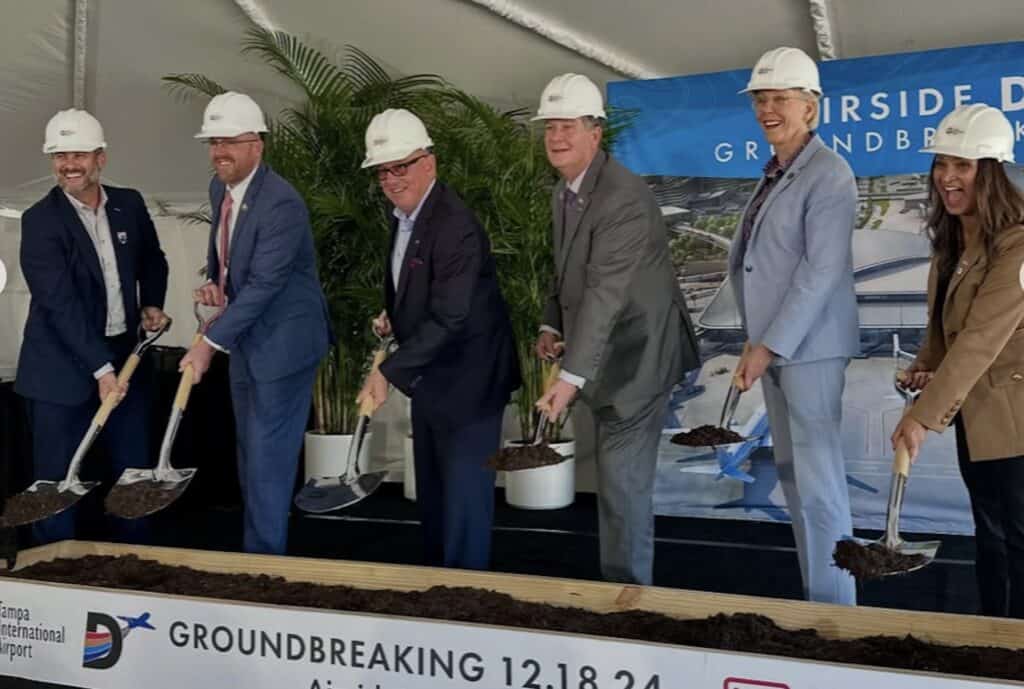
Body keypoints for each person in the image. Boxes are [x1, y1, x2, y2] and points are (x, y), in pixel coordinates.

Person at [532, 74, 701, 585]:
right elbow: (566, 272)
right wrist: (551, 322)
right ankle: (620, 592)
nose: (556, 138)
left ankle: (631, 607)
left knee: (623, 485)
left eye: (567, 126)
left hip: (638, 358)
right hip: (605, 356)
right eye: (550, 128)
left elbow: (606, 292)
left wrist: (570, 376)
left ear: (595, 133)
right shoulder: (567, 190)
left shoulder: (622, 197)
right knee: (615, 483)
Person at [358, 109, 520, 570]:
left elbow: (451, 314)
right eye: (382, 171)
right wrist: (393, 316)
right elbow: (419, 292)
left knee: (463, 510)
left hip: (469, 385)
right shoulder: (405, 217)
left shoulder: (454, 224)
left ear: (428, 161)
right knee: (435, 502)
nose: (390, 179)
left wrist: (388, 373)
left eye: (400, 166)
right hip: (431, 381)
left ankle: (466, 604)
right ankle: (437, 598)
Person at [729, 47, 860, 605]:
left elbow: (821, 270)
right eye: (761, 99)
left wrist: (768, 346)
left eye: (780, 98)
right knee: (796, 482)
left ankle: (839, 618)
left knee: (822, 488)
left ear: (810, 106)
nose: (768, 109)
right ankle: (818, 600)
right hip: (780, 350)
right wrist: (758, 342)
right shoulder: (777, 171)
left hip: (808, 350)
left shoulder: (828, 173)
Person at [181, 92, 331, 555]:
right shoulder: (219, 189)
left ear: (257, 146)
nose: (219, 151)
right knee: (250, 455)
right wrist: (217, 284)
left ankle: (264, 568)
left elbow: (266, 285)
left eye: (230, 141)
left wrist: (207, 342)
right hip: (246, 340)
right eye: (213, 142)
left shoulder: (281, 204)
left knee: (267, 459)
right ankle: (259, 554)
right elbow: (226, 257)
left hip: (283, 346)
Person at [892, 104, 1024, 619]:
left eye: (962, 166)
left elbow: (981, 340)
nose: (948, 177)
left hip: (1013, 422)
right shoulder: (956, 237)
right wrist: (925, 365)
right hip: (977, 416)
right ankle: (992, 641)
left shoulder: (1015, 245)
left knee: (1015, 540)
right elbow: (947, 329)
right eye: (942, 164)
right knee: (989, 538)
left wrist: (922, 416)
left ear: (989, 171)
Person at [17, 108, 169, 544]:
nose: (69, 164)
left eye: (79, 154)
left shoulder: (130, 204)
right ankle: (55, 581)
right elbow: (58, 303)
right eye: (60, 155)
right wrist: (102, 369)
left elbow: (152, 259)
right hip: (59, 372)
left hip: (125, 360)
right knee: (57, 485)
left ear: (100, 157)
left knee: (134, 479)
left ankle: (133, 574)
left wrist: (152, 303)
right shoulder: (40, 221)